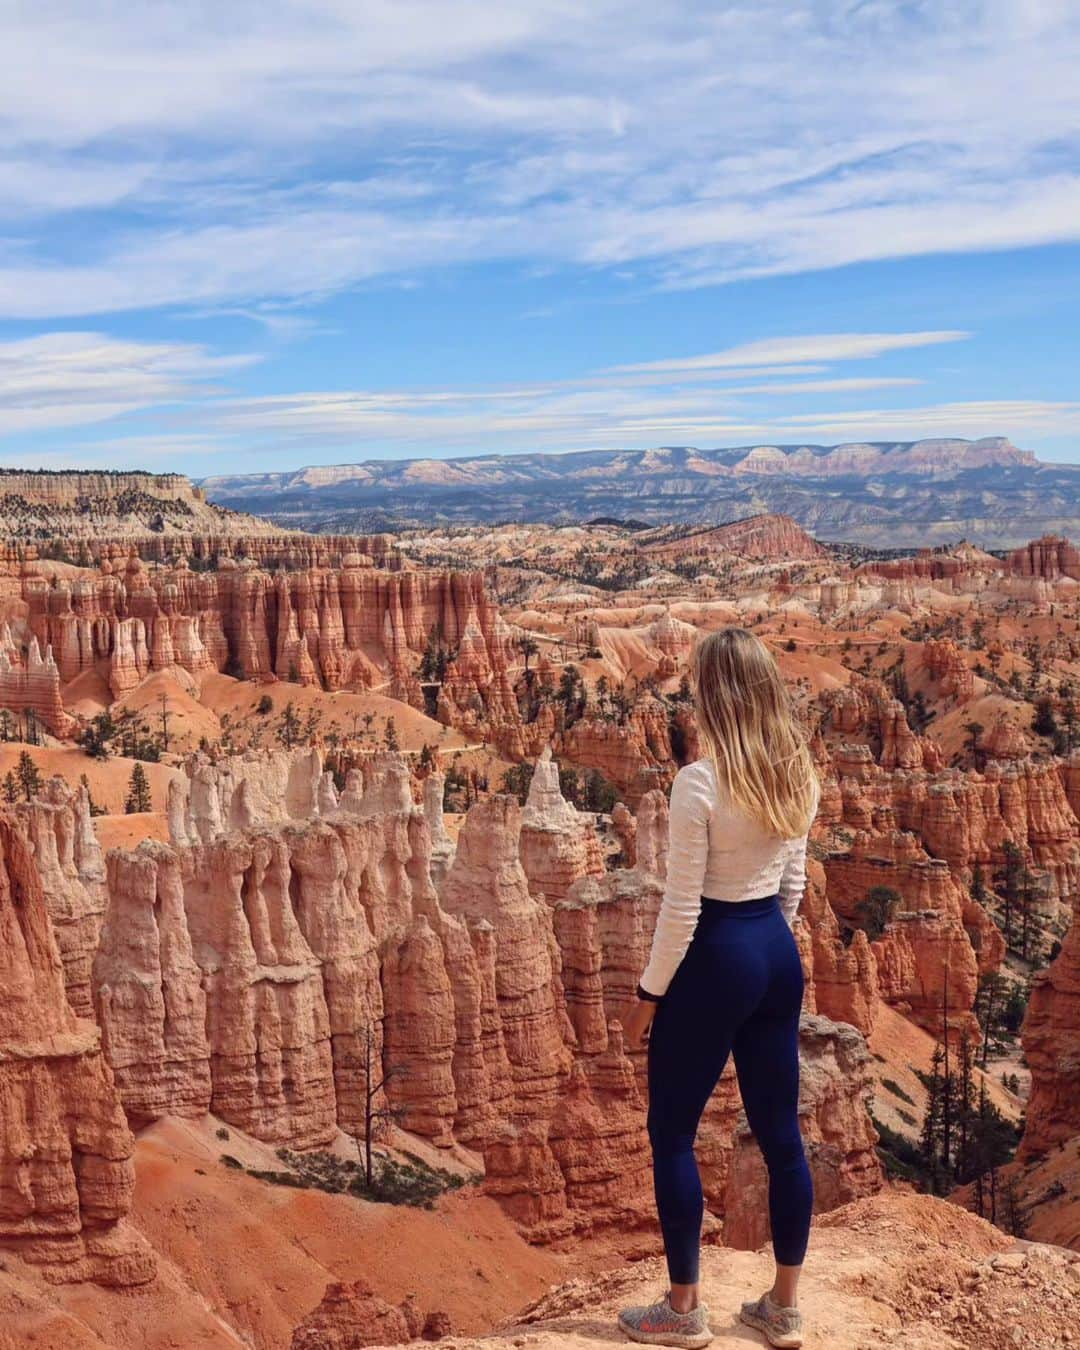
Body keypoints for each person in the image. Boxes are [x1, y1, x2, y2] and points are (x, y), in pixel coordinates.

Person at [617, 627, 819, 1349]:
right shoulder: (795, 769)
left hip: (716, 956)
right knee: (781, 1135)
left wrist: (650, 993)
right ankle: (785, 1308)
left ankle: (682, 1310)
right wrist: (765, 951)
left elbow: (682, 906)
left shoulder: (699, 782)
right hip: (775, 953)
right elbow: (792, 886)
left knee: (672, 1131)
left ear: (717, 693)